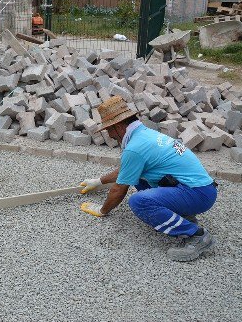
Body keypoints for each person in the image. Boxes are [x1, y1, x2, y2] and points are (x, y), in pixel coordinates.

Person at [79, 96, 218, 262]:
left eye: (108, 129)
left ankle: (196, 236)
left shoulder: (135, 147)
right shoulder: (145, 134)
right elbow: (127, 170)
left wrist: (102, 210)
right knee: (136, 177)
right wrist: (98, 181)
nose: (109, 134)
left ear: (117, 126)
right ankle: (183, 214)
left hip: (198, 193)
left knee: (139, 202)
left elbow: (119, 188)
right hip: (200, 188)